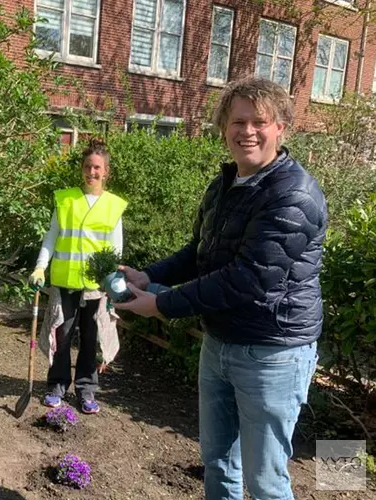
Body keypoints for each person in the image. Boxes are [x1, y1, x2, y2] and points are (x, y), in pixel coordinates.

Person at [115, 77, 327, 500]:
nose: (247, 131)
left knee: (266, 481)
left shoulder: (293, 195)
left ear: (281, 127)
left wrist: (163, 304)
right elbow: (201, 252)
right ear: (224, 127)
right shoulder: (226, 184)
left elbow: (250, 277)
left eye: (259, 121)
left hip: (272, 352)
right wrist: (147, 275)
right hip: (220, 344)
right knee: (217, 463)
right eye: (237, 121)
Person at [29, 138, 128, 414]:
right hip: (66, 281)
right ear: (81, 169)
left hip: (96, 286)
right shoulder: (66, 200)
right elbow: (52, 238)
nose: (91, 172)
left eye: (97, 168)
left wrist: (110, 280)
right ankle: (57, 386)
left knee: (90, 338)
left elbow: (115, 249)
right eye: (87, 166)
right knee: (61, 334)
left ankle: (86, 390)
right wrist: (40, 266)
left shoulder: (113, 207)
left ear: (106, 171)